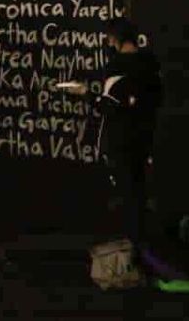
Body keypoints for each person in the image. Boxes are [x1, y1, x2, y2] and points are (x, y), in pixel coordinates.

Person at [66, 17, 163, 247]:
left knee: (128, 200)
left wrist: (86, 93)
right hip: (147, 140)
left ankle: (132, 254)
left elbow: (108, 106)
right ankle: (147, 252)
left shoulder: (117, 66)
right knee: (141, 198)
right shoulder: (151, 64)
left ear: (115, 40)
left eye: (109, 39)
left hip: (122, 143)